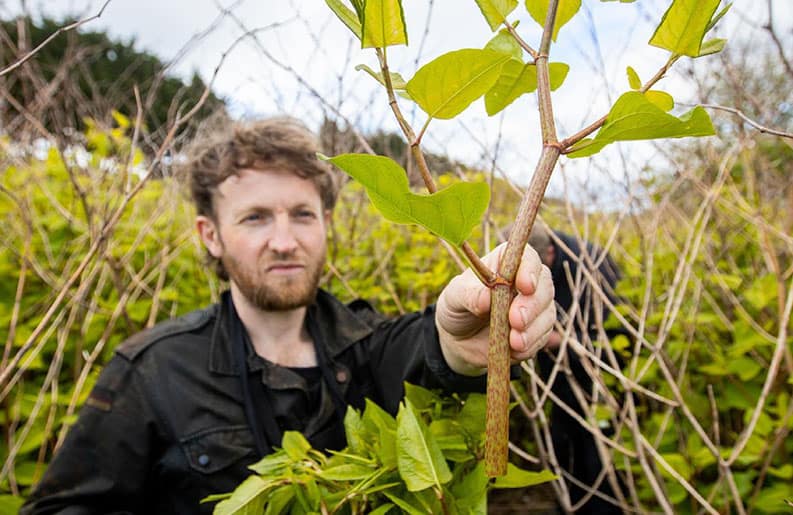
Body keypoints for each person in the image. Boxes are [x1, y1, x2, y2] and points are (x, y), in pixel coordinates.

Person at [22, 117, 556, 514]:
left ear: (326, 223)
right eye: (255, 218)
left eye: (301, 215)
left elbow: (428, 346)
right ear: (210, 235)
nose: (284, 241)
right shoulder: (154, 371)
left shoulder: (365, 344)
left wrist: (461, 340)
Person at [528, 223, 624, 514]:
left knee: (597, 457)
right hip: (558, 384)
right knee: (563, 448)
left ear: (551, 252)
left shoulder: (595, 269)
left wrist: (565, 341)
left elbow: (619, 343)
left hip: (600, 385)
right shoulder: (538, 263)